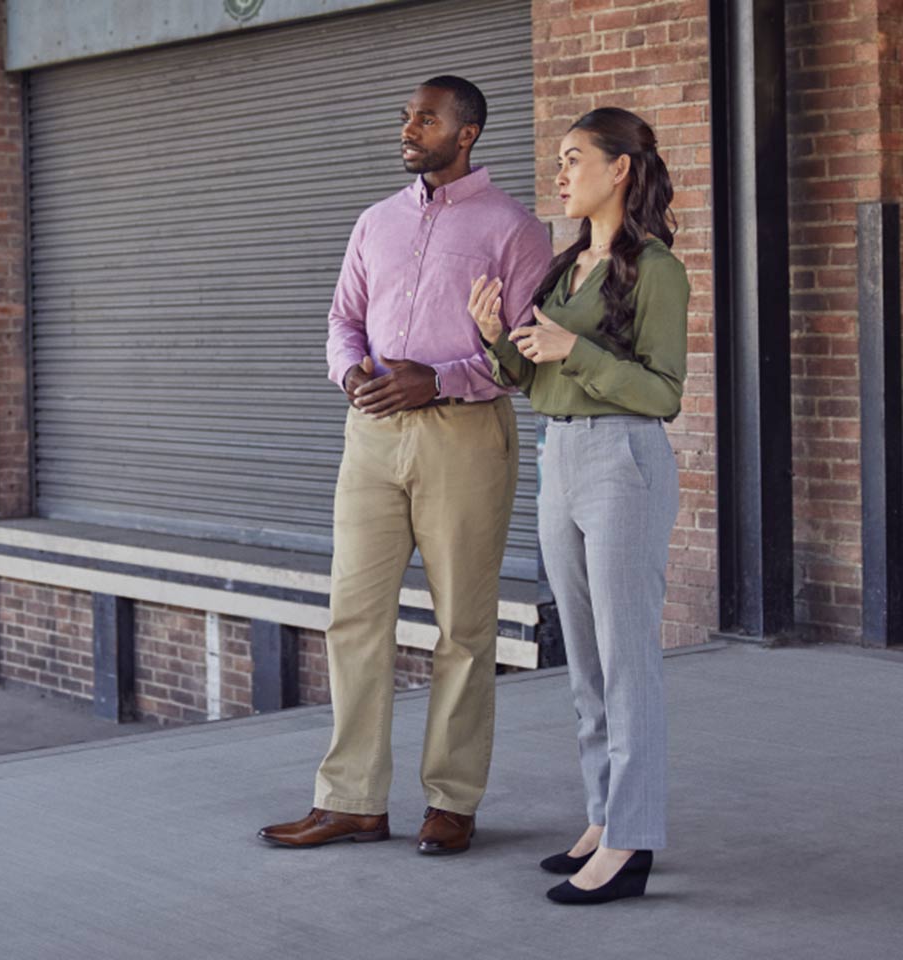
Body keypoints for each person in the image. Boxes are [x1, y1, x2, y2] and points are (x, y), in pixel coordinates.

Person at [258, 76, 549, 856]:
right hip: (372, 438)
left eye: (427, 116)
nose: (409, 127)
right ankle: (351, 800)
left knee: (463, 624)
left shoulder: (515, 230)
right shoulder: (375, 221)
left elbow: (526, 356)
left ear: (469, 132)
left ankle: (452, 801)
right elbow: (342, 319)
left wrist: (443, 377)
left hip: (464, 437)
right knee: (353, 613)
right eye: (405, 116)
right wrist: (348, 370)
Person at [467, 107, 688, 904]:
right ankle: (603, 814)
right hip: (559, 454)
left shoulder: (655, 268)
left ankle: (631, 840)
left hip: (621, 459)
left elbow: (664, 393)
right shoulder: (566, 270)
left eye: (572, 159)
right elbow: (538, 381)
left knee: (627, 658)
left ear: (619, 168)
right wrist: (498, 338)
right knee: (586, 660)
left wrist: (575, 348)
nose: (558, 174)